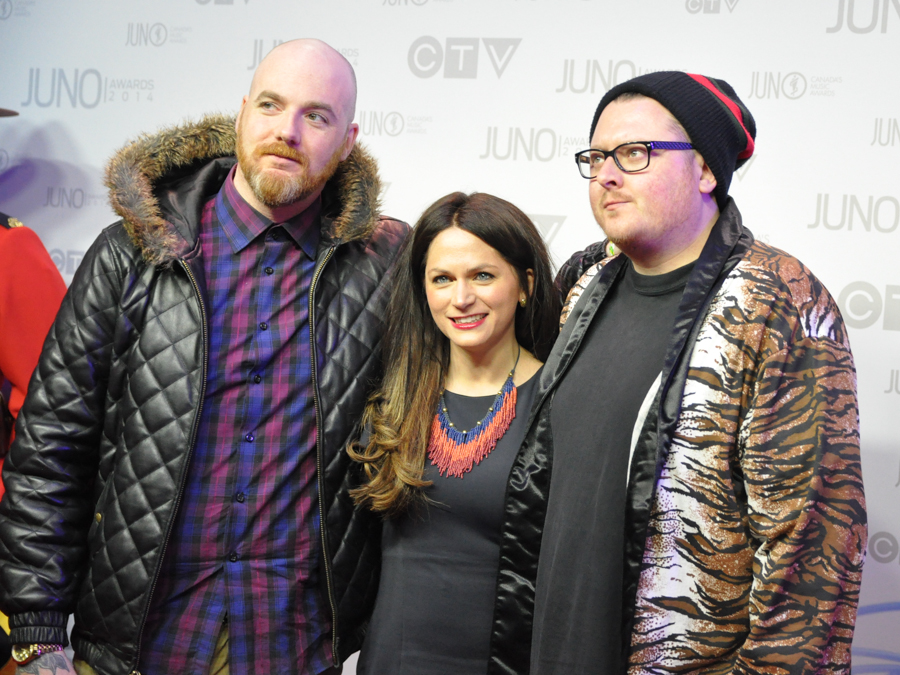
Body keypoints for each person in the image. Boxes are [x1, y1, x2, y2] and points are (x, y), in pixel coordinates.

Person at [0, 39, 407, 675]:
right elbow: (51, 447)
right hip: (138, 639)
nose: (287, 130)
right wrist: (35, 628)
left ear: (349, 139)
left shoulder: (385, 272)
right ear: (243, 111)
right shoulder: (130, 254)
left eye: (317, 116)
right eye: (271, 104)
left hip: (293, 646)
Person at [487, 72, 867, 674]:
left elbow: (812, 550)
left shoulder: (773, 302)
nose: (607, 174)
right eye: (596, 156)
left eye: (635, 153)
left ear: (706, 171)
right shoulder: (583, 285)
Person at [350, 192, 559, 674]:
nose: (460, 298)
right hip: (391, 661)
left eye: (482, 275)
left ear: (525, 284)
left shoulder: (560, 402)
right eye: (442, 279)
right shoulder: (393, 401)